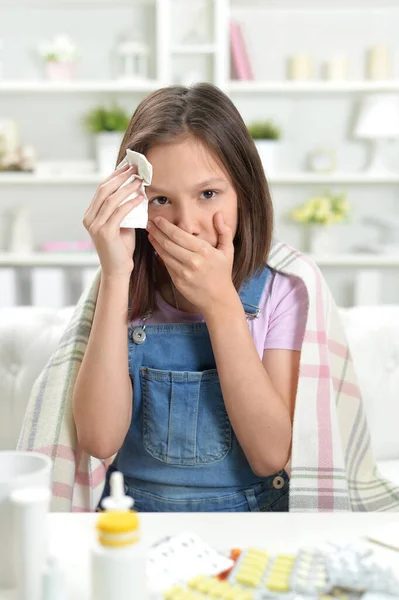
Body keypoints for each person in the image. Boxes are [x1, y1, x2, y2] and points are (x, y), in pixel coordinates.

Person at [72, 82, 309, 513]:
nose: (188, 225)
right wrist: (115, 274)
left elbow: (271, 453)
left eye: (208, 194)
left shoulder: (283, 291)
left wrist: (220, 304)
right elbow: (98, 439)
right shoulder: (122, 286)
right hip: (134, 518)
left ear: (245, 192)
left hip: (251, 520)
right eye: (161, 199)